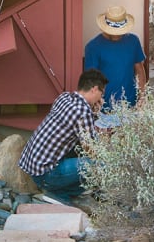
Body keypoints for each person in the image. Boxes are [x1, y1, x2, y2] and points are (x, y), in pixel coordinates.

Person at [17, 69, 109, 205]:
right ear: (95, 89)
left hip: (34, 167)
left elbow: (75, 127)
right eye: (102, 93)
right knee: (101, 165)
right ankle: (59, 194)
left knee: (79, 150)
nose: (101, 98)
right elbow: (92, 149)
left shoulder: (65, 97)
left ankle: (58, 192)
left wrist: (94, 113)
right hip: (46, 175)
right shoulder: (82, 111)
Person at [84, 5, 147, 111]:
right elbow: (91, 81)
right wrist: (94, 107)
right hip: (104, 110)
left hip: (131, 107)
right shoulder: (93, 47)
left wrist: (142, 97)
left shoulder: (133, 41)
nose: (117, 35)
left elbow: (139, 70)